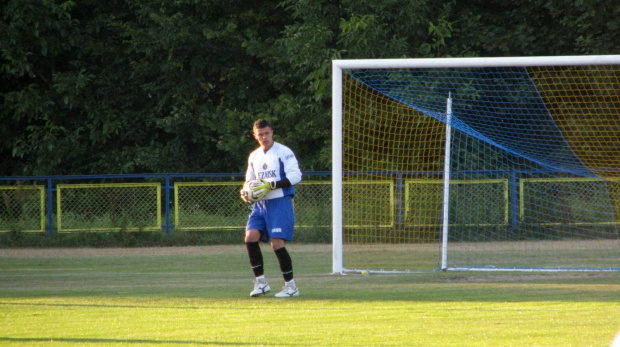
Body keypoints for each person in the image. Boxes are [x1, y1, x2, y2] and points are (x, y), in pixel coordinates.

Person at [240, 119, 302, 297]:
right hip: (260, 205)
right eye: (260, 134)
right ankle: (261, 283)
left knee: (276, 243)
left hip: (279, 202)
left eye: (267, 133)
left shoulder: (283, 152)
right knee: (250, 237)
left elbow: (296, 176)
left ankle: (291, 287)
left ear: (272, 132)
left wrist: (270, 185)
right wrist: (245, 192)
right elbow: (249, 181)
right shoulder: (254, 156)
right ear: (255, 136)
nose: (264, 137)